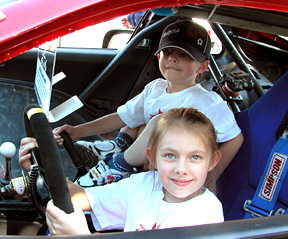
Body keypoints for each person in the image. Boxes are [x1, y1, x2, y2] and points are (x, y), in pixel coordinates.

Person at [52, 19, 243, 187]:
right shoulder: (156, 88)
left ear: (202, 66)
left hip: (170, 165)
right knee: (137, 117)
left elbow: (235, 139)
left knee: (161, 121)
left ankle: (118, 166)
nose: (173, 58)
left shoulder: (207, 102)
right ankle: (114, 148)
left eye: (184, 55)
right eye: (167, 52)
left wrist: (210, 176)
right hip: (147, 153)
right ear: (159, 56)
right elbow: (122, 116)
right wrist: (78, 131)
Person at [22, 108, 224, 235]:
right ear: (152, 157)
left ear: (212, 161)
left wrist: (81, 235)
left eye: (195, 157)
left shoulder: (205, 214)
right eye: (170, 156)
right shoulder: (145, 184)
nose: (181, 169)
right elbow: (85, 198)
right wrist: (41, 169)